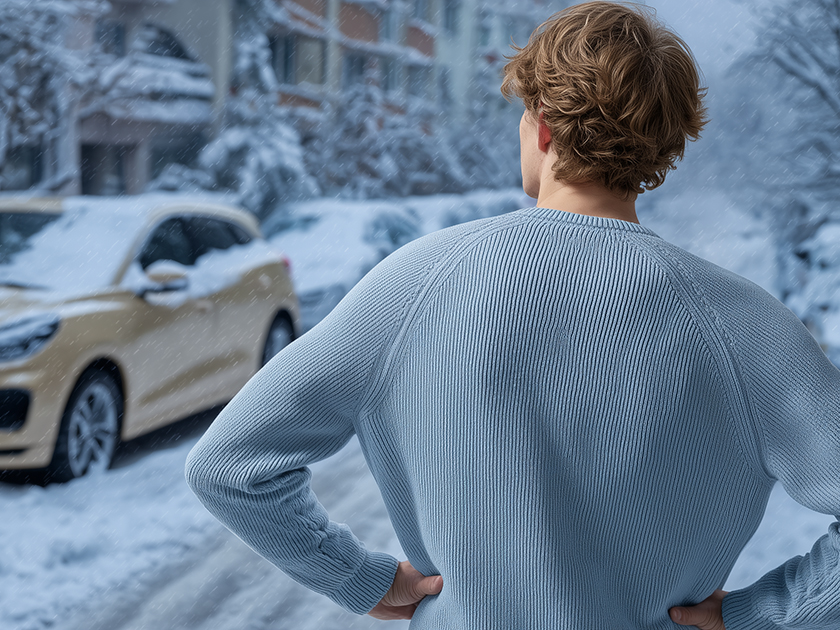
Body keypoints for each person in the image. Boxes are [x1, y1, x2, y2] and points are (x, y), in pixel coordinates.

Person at [185, 2, 840, 628]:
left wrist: (358, 577)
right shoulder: (748, 324)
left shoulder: (416, 282)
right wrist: (764, 615)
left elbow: (229, 467)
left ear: (543, 126)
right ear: (665, 149)